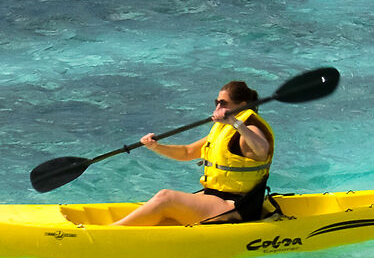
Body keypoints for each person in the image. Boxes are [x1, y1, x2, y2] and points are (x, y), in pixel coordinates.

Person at [113, 81, 276, 226]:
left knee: (166, 197)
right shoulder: (224, 131)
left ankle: (114, 231)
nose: (218, 108)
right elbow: (187, 152)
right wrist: (156, 146)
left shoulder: (249, 129)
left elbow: (262, 151)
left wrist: (235, 122)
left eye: (223, 104)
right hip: (217, 197)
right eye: (217, 103)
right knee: (163, 216)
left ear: (242, 105)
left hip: (238, 206)